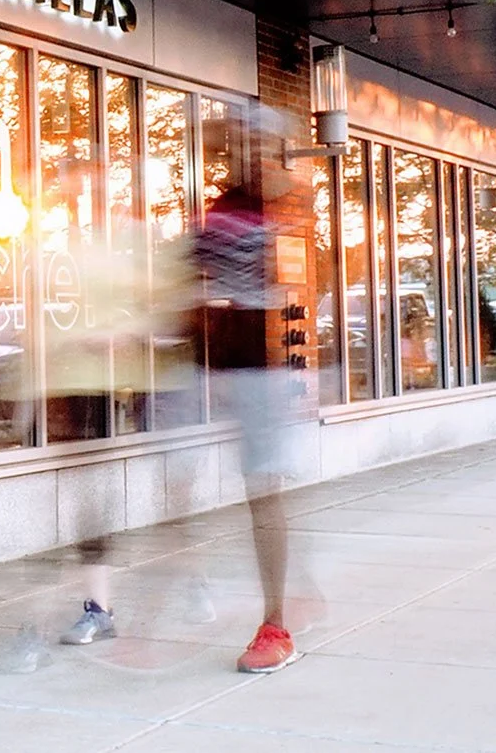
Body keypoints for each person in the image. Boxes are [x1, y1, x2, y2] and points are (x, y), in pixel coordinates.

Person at [193, 180, 300, 674]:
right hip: (221, 372)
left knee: (263, 494)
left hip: (257, 375)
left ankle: (276, 623)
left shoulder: (261, 210)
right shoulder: (223, 215)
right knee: (248, 495)